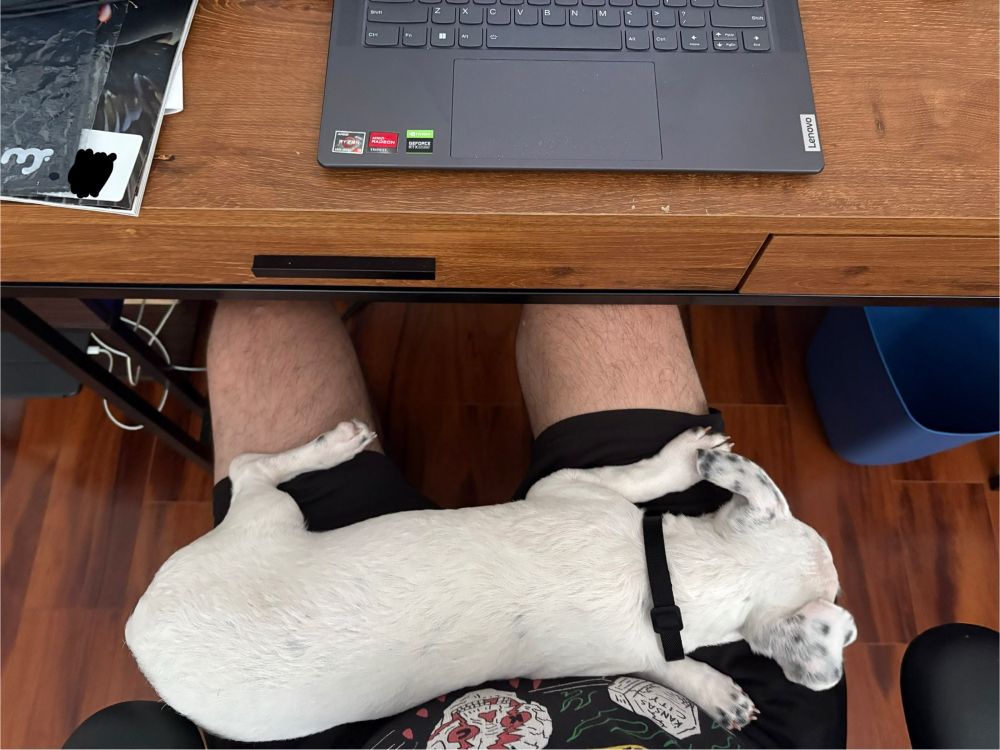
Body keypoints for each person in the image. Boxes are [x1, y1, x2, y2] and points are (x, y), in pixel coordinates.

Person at [66, 303, 845, 750]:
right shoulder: (645, 645)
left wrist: (660, 480)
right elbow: (638, 649)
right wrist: (683, 669)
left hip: (266, 660)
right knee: (608, 295)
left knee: (263, 312)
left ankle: (265, 476)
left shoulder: (618, 531)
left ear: (745, 509)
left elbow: (573, 502)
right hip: (260, 684)